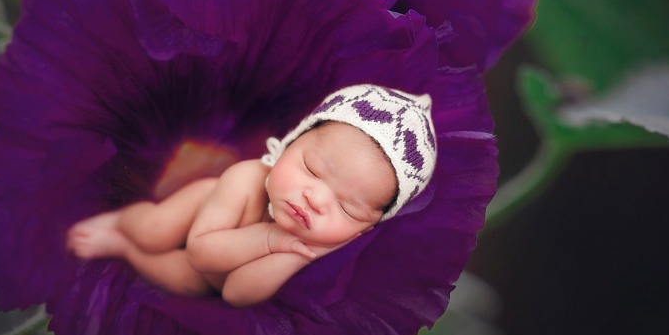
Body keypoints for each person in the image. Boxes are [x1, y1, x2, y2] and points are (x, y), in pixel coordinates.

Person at [66, 84, 437, 307]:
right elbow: (202, 251)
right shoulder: (246, 178)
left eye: (346, 207)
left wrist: (294, 254)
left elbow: (237, 292)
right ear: (290, 141)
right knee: (156, 230)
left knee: (188, 283)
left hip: (210, 276)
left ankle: (125, 249)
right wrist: (273, 237)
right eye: (311, 169)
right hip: (202, 220)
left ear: (366, 229)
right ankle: (122, 224)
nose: (316, 199)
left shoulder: (319, 243)